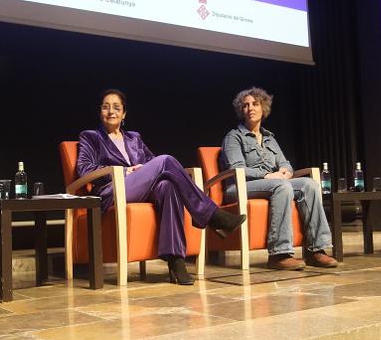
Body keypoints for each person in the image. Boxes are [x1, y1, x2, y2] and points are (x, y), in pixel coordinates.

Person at [77, 89, 246, 285]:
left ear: (124, 114)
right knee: (166, 160)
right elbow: (84, 169)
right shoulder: (90, 137)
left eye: (116, 107)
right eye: (105, 107)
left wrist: (144, 171)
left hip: (139, 190)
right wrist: (125, 171)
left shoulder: (134, 138)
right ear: (100, 112)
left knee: (168, 186)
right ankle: (213, 216)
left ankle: (176, 261)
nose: (111, 111)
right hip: (112, 190)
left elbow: (152, 164)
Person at [220, 87, 338, 270]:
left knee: (310, 184)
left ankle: (316, 250)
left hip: (272, 183)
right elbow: (237, 169)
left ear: (263, 108)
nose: (250, 108)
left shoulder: (269, 138)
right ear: (241, 111)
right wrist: (267, 175)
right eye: (245, 105)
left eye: (255, 104)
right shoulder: (234, 137)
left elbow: (286, 163)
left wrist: (285, 171)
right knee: (281, 186)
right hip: (240, 187)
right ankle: (279, 254)